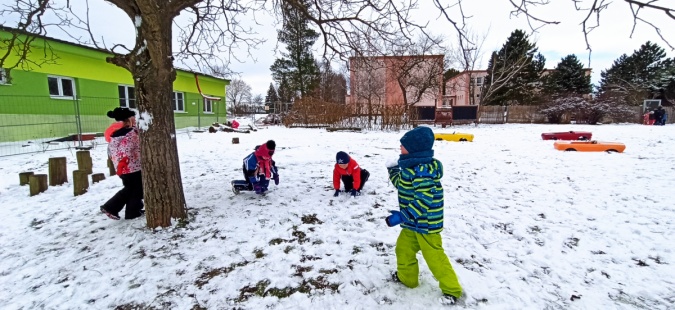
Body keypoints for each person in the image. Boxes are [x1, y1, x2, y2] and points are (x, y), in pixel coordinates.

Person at [385, 126, 463, 305]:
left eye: (403, 146)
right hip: (413, 224)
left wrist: (403, 216)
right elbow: (403, 185)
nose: (400, 148)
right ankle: (407, 278)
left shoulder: (423, 171)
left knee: (434, 257)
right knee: (403, 249)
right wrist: (393, 171)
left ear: (414, 149)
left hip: (427, 225)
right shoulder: (410, 167)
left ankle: (452, 290)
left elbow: (424, 199)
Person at [100, 107, 144, 220]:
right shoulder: (130, 134)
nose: (135, 120)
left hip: (123, 168)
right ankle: (110, 207)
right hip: (132, 167)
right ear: (129, 120)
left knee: (135, 189)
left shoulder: (115, 134)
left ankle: (133, 212)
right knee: (133, 189)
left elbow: (112, 152)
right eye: (134, 118)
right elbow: (126, 150)